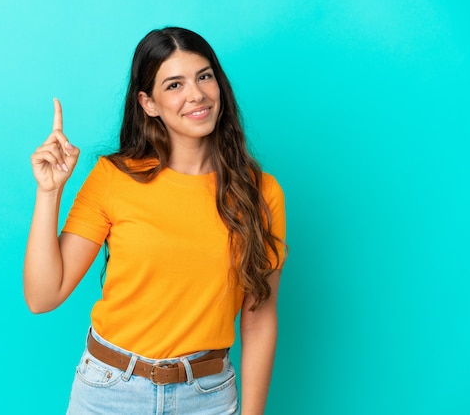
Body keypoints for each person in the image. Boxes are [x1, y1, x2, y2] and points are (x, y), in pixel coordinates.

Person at [24, 27, 287, 415]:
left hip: (208, 397)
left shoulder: (261, 193)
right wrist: (50, 193)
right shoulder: (114, 178)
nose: (196, 94)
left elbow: (259, 318)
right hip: (108, 392)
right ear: (148, 103)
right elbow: (43, 296)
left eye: (204, 76)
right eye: (174, 84)